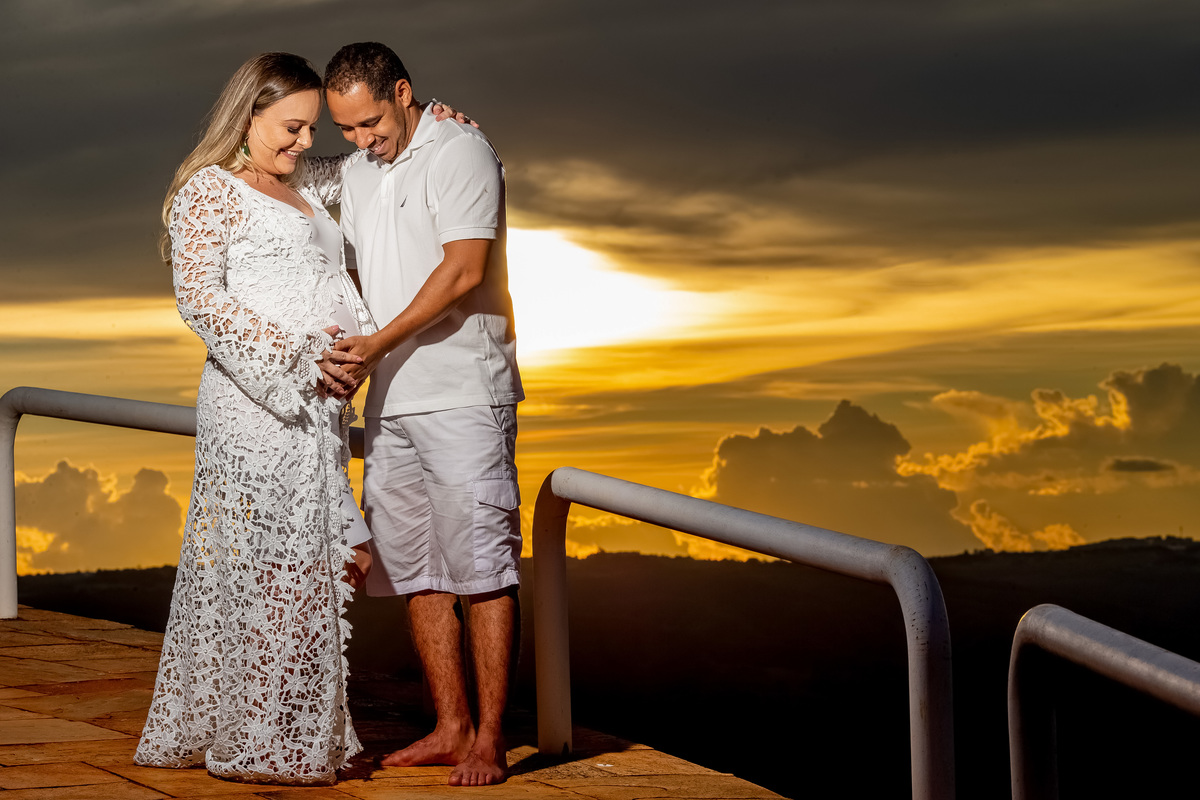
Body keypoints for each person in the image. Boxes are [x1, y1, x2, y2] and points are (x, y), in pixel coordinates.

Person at [133, 51, 462, 785]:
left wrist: (439, 124)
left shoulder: (311, 185)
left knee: (310, 566)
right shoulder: (208, 192)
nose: (303, 143)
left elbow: (380, 159)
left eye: (312, 129)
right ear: (247, 115)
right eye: (290, 126)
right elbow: (202, 301)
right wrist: (299, 356)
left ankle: (279, 730)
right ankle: (257, 739)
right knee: (267, 568)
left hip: (316, 411)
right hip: (255, 404)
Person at [322, 42, 523, 787]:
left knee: (483, 567)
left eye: (370, 122)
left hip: (466, 391)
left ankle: (489, 742)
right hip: (392, 400)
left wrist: (375, 343)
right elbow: (343, 258)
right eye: (346, 129)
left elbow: (464, 270)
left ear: (402, 92)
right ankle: (450, 726)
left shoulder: (461, 150)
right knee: (415, 567)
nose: (361, 140)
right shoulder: (355, 172)